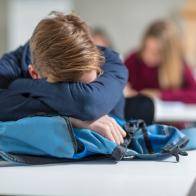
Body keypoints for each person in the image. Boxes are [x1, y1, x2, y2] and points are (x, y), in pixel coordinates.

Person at [0, 12, 128, 144]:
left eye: (89, 86)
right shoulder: (8, 69)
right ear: (34, 73)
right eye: (62, 89)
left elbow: (87, 103)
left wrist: (20, 85)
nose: (73, 106)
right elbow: (82, 105)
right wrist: (69, 120)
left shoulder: (108, 60)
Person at [124, 20, 196, 103]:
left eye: (156, 52)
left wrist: (159, 94)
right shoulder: (133, 59)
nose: (148, 56)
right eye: (146, 49)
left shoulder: (179, 65)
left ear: (170, 55)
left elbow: (194, 94)